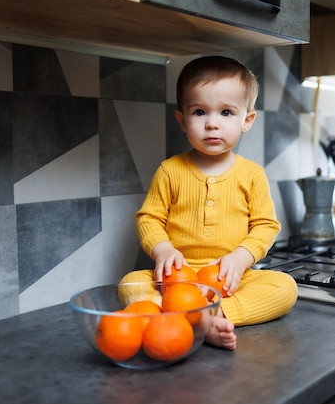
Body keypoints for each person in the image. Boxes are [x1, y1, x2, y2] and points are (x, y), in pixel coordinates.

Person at [120, 55, 298, 350]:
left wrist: (241, 259)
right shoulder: (169, 170)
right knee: (131, 283)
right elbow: (148, 218)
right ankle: (196, 319)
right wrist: (163, 249)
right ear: (182, 119)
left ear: (247, 120)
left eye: (227, 113)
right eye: (200, 111)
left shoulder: (252, 174)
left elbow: (266, 225)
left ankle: (212, 315)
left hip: (231, 279)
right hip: (177, 278)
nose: (213, 124)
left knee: (285, 288)